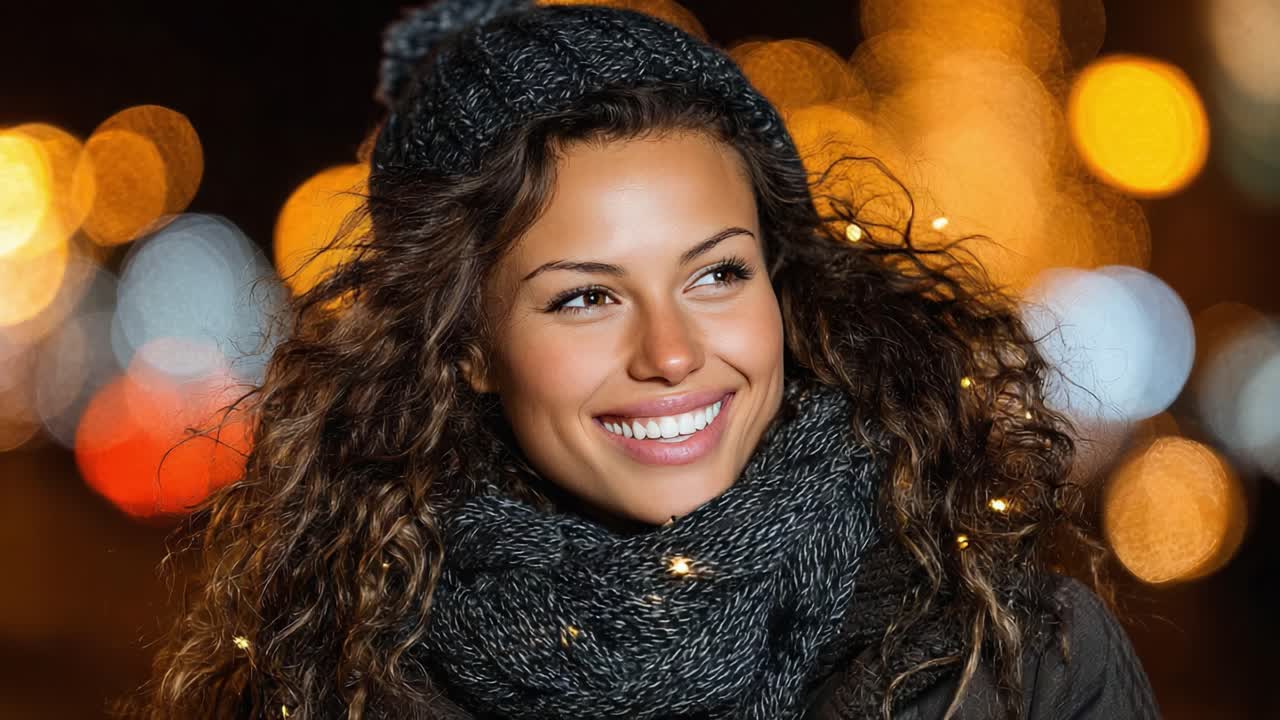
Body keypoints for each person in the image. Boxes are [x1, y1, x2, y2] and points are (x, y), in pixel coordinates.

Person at [121, 1, 1161, 718]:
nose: (670, 353)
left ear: (785, 292)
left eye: (716, 276)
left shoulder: (1018, 660)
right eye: (583, 297)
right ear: (467, 349)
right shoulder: (339, 680)